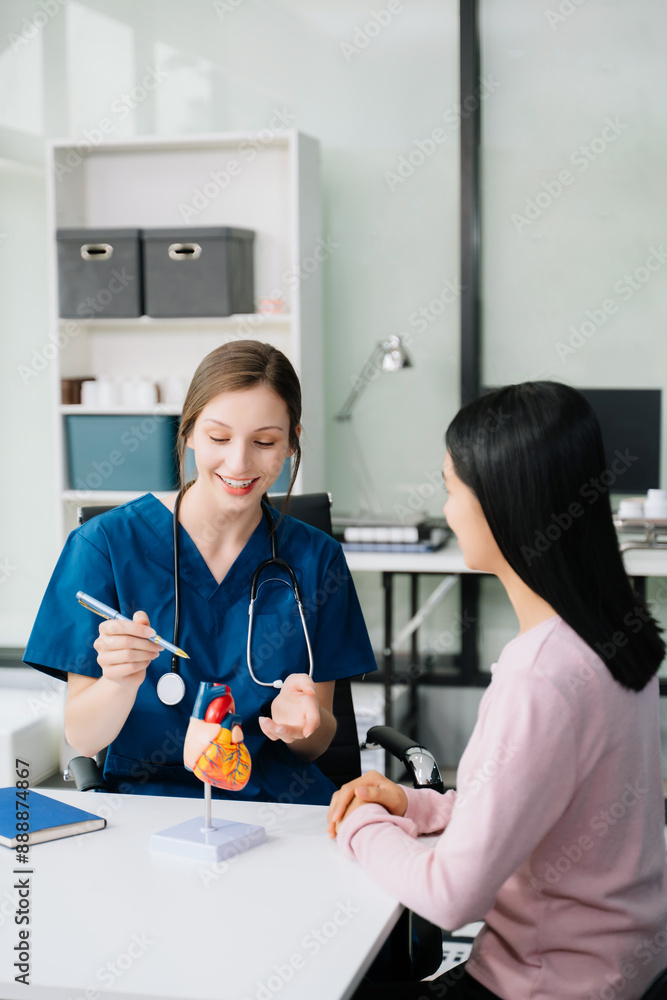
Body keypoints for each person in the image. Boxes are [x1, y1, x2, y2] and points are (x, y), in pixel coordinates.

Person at [327, 381, 667, 999]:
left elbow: (451, 896)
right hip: (623, 971)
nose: (449, 509)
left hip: (542, 984)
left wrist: (364, 824)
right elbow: (535, 812)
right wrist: (415, 806)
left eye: (452, 487)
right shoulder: (617, 633)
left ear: (503, 504)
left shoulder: (539, 674)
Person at [24, 340, 376, 803]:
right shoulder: (105, 547)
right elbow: (85, 740)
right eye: (218, 437)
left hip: (276, 802)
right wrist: (117, 681)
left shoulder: (317, 560)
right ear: (188, 432)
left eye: (265, 442)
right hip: (148, 803)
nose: (239, 463)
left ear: (291, 442)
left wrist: (302, 721)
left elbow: (315, 746)